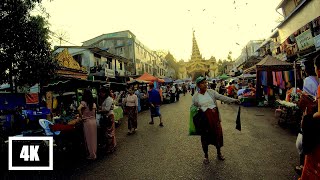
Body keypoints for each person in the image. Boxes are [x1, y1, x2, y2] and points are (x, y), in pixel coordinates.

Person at [192, 77, 240, 164]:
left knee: (217, 135)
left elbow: (222, 97)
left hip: (215, 119)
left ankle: (219, 153)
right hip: (204, 121)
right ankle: (206, 156)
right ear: (198, 85)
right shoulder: (195, 97)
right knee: (205, 138)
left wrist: (234, 100)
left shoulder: (212, 92)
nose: (205, 84)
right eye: (203, 83)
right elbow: (194, 109)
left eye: (206, 82)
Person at [295, 61, 319, 175]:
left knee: (306, 142)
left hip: (312, 113)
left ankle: (303, 165)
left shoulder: (308, 80)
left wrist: (308, 117)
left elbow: (305, 99)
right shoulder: (317, 80)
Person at [78, 89, 97, 160]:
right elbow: (95, 113)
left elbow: (78, 109)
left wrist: (81, 116)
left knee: (88, 139)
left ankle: (91, 155)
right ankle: (94, 153)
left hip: (87, 122)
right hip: (93, 121)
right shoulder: (93, 103)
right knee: (94, 138)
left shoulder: (83, 103)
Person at [99, 87, 116, 154]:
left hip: (109, 116)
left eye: (101, 92)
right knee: (108, 132)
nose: (100, 94)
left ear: (105, 93)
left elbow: (107, 109)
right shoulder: (106, 99)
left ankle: (111, 147)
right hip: (107, 116)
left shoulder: (109, 99)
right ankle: (110, 146)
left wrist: (100, 110)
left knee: (110, 132)